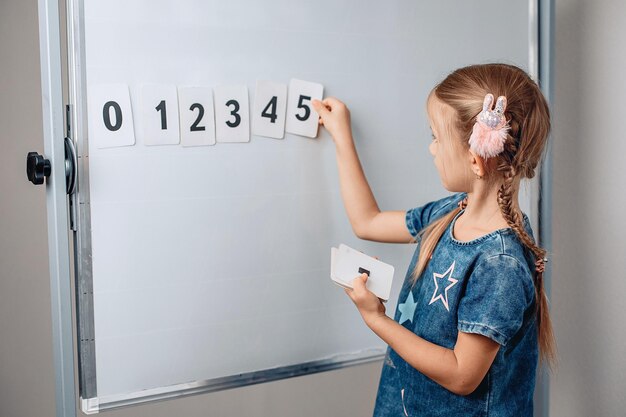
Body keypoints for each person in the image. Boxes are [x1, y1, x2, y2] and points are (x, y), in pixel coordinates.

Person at [311, 63, 557, 417]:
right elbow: (368, 222)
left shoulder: (498, 263)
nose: (432, 149)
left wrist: (376, 319)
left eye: (435, 138)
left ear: (474, 159)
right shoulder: (452, 210)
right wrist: (342, 136)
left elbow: (462, 376)